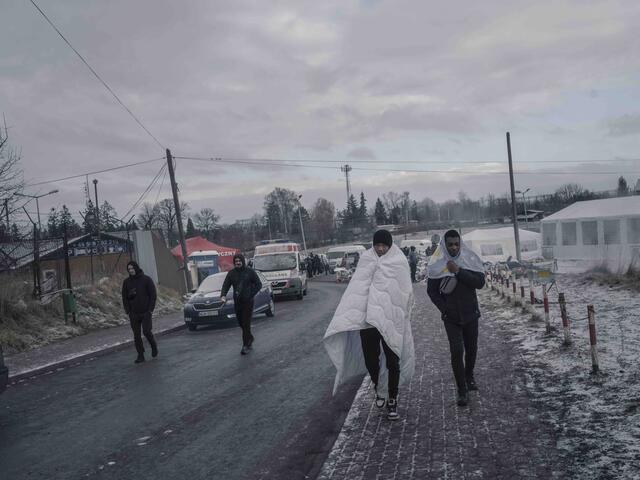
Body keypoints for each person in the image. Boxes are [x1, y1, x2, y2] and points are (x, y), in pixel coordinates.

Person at [324, 229, 414, 421]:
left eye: (384, 245)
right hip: (368, 322)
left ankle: (392, 399)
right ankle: (379, 388)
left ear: (390, 246)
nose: (381, 249)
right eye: (377, 245)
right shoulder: (366, 260)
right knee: (371, 361)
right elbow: (356, 289)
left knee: (393, 361)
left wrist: (403, 315)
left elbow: (406, 290)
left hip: (390, 319)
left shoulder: (398, 261)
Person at [426, 230, 485, 407]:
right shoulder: (437, 265)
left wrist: (458, 271)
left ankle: (469, 376)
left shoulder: (469, 260)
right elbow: (431, 291)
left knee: (472, 348)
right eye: (450, 244)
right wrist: (444, 309)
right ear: (444, 245)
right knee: (457, 351)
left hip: (471, 313)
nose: (453, 247)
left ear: (460, 244)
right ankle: (462, 390)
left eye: (456, 244)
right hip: (451, 318)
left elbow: (480, 283)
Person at [220, 254, 263, 355]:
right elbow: (226, 285)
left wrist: (251, 294)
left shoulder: (249, 272)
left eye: (239, 261)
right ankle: (250, 338)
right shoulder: (231, 273)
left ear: (243, 261)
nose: (238, 263)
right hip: (238, 302)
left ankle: (245, 345)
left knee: (245, 323)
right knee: (240, 323)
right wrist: (223, 295)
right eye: (236, 261)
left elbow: (258, 284)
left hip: (248, 302)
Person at [121, 260, 158, 364]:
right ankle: (140, 355)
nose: (131, 271)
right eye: (129, 269)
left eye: (132, 268)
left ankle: (153, 346)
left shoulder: (146, 280)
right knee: (136, 335)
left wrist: (150, 310)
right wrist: (128, 310)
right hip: (134, 313)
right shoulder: (126, 282)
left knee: (146, 331)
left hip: (146, 312)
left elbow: (153, 295)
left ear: (136, 268)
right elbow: (124, 297)